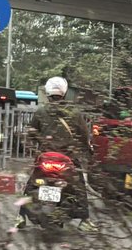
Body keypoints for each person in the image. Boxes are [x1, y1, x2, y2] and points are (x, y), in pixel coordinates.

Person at [18, 76, 97, 232]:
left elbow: (30, 133)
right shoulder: (74, 113)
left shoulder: (41, 112)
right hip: (69, 159)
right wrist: (87, 151)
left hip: (45, 157)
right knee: (79, 186)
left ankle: (20, 216)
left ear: (48, 94)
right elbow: (84, 136)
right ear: (65, 93)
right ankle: (85, 220)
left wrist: (35, 148)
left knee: (31, 183)